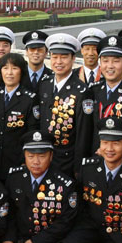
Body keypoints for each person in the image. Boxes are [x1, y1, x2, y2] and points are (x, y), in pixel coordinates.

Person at [0, 131, 78, 243]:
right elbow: (10, 213)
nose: (35, 161)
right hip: (22, 236)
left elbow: (65, 222)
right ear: (24, 155)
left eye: (41, 156)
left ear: (51, 155)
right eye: (30, 155)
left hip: (48, 240)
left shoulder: (64, 183)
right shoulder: (15, 177)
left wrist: (36, 242)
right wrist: (10, 238)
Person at [37, 33, 92, 175]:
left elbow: (83, 135)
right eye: (55, 57)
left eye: (64, 57)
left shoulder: (82, 91)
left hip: (67, 160)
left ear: (73, 58)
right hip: (42, 158)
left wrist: (78, 168)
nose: (59, 62)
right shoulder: (44, 84)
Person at [0, 52, 40, 180]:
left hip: (17, 161)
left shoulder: (29, 99)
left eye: (14, 68)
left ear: (21, 71)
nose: (9, 73)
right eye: (5, 68)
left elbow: (31, 132)